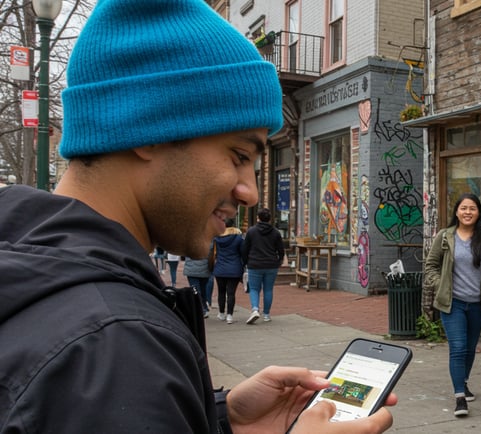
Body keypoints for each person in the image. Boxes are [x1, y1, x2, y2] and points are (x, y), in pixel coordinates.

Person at [0, 0, 396, 432]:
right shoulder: (114, 346)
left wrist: (217, 420)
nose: (249, 192)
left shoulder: (37, 274)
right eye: (239, 155)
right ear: (146, 126)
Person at [423, 193, 481, 418]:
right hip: (453, 303)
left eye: (472, 209)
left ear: (478, 213)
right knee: (457, 348)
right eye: (464, 208)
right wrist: (441, 287)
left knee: (469, 348)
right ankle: (459, 397)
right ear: (457, 212)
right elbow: (431, 265)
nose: (468, 212)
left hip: (478, 303)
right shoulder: (445, 236)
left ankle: (464, 382)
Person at [242, 207, 286, 324]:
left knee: (254, 289)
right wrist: (279, 260)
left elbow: (245, 249)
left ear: (258, 218)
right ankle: (266, 314)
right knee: (268, 289)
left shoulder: (251, 231)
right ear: (270, 219)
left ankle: (255, 309)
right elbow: (280, 249)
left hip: (255, 264)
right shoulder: (276, 232)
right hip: (271, 264)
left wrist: (245, 262)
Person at [213, 222, 245, 324]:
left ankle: (221, 313)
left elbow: (214, 252)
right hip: (234, 269)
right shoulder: (239, 239)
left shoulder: (217, 238)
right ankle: (230, 316)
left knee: (221, 292)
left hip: (220, 269)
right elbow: (243, 253)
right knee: (231, 293)